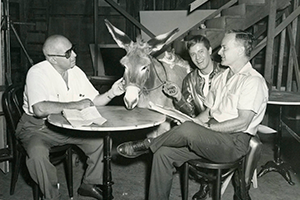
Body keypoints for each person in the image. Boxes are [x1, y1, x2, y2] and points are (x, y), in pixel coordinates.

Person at [117, 30, 269, 200]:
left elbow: (243, 122)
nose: (219, 52)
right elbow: (208, 112)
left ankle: (146, 144)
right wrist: (192, 121)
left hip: (233, 143)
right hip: (210, 139)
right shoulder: (222, 78)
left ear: (240, 51)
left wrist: (204, 127)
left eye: (224, 48)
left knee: (188, 129)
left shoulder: (252, 81)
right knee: (163, 154)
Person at [15, 35, 125, 200]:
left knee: (102, 142)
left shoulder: (75, 71)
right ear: (52, 59)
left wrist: (111, 93)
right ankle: (52, 196)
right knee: (37, 154)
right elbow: (39, 109)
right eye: (68, 53)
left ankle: (89, 184)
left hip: (69, 124)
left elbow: (92, 101)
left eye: (72, 49)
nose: (74, 55)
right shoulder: (37, 73)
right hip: (38, 128)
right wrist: (75, 104)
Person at [161, 35, 224, 199]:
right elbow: (190, 112)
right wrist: (178, 98)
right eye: (193, 54)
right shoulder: (190, 79)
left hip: (223, 129)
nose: (198, 58)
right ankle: (205, 182)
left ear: (210, 51)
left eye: (201, 51)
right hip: (199, 128)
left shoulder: (226, 73)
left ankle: (240, 188)